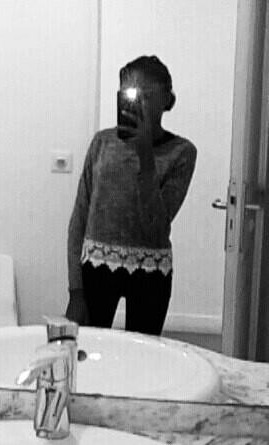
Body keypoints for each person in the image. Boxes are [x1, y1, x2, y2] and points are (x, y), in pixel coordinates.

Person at [65, 55, 197, 335]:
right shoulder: (102, 142)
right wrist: (75, 290)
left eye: (146, 95)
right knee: (91, 350)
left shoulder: (182, 152)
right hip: (96, 265)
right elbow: (79, 217)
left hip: (151, 271)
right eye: (130, 94)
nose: (139, 103)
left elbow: (157, 225)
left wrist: (145, 154)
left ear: (167, 99)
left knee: (144, 356)